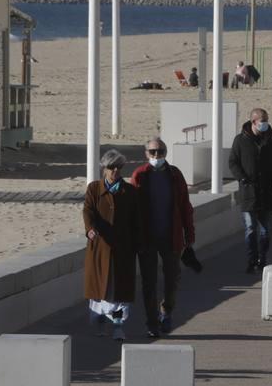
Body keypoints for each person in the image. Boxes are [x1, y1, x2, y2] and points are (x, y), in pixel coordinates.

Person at [129, 138, 195, 338]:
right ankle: (152, 323)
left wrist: (189, 234)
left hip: (171, 237)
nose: (157, 156)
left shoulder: (174, 175)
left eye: (160, 151)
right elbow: (132, 210)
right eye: (152, 152)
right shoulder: (139, 175)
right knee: (149, 283)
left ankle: (166, 310)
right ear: (146, 153)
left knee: (172, 280)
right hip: (147, 239)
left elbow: (185, 206)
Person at [82, 150, 141, 341]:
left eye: (119, 167)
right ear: (104, 169)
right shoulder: (94, 189)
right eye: (111, 167)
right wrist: (90, 229)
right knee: (99, 289)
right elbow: (88, 211)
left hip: (123, 249)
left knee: (119, 291)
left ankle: (118, 325)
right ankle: (100, 323)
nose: (115, 171)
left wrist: (137, 243)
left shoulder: (130, 191)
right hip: (100, 247)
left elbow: (136, 220)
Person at [229, 108, 272, 273]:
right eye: (262, 120)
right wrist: (243, 178)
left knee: (266, 230)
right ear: (254, 122)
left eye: (266, 120)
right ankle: (251, 258)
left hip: (267, 191)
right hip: (249, 192)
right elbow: (233, 162)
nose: (265, 123)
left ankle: (263, 258)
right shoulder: (240, 140)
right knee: (250, 228)